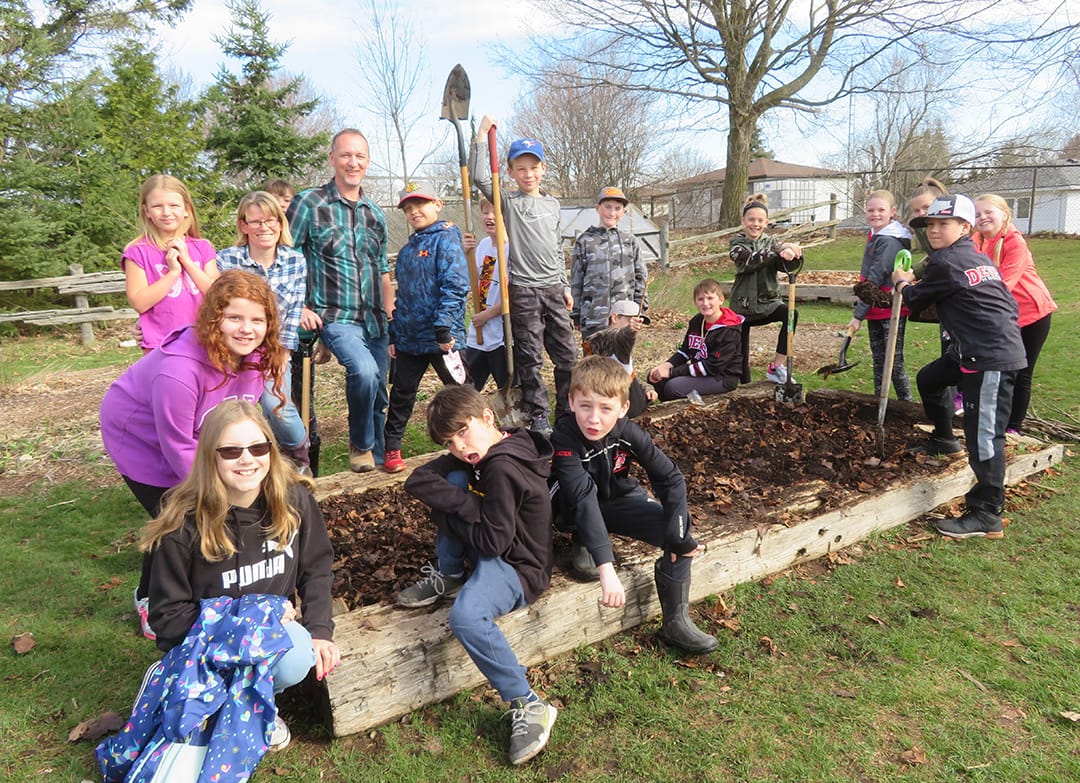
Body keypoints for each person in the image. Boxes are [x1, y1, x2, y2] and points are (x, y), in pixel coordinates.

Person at [142, 400, 339, 753]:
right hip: (206, 646)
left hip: (270, 639)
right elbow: (167, 617)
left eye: (258, 447)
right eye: (231, 451)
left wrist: (321, 630)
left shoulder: (294, 499)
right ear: (210, 457)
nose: (247, 459)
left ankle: (259, 704)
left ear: (271, 449)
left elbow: (317, 566)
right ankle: (205, 698)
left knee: (297, 654)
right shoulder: (182, 522)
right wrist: (256, 615)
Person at [100, 270, 287, 637]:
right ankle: (150, 599)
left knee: (210, 506)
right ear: (214, 318)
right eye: (234, 318)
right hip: (141, 440)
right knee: (174, 515)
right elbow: (176, 444)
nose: (246, 329)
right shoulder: (179, 372)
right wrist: (220, 494)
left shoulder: (252, 357)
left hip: (195, 435)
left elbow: (237, 419)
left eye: (257, 320)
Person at [399, 385, 556, 766]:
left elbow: (491, 542)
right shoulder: (481, 454)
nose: (459, 447)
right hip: (497, 548)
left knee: (466, 617)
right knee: (452, 483)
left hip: (519, 567)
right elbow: (416, 480)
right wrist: (461, 502)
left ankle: (529, 704)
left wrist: (450, 514)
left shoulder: (501, 466)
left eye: (463, 432)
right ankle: (450, 573)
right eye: (449, 442)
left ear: (488, 417)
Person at [551, 355, 718, 654]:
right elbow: (582, 499)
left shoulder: (628, 432)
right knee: (578, 506)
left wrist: (679, 537)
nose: (594, 419)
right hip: (573, 508)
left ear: (623, 408)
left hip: (616, 500)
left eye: (606, 409)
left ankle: (675, 622)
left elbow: (670, 478)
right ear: (572, 401)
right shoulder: (564, 436)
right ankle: (585, 542)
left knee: (678, 532)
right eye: (586, 406)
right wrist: (607, 568)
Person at [893, 194, 1026, 540]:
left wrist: (901, 281)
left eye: (943, 224)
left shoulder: (946, 262)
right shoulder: (972, 257)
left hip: (989, 357)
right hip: (971, 348)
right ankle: (943, 439)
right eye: (930, 225)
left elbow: (916, 299)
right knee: (930, 379)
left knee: (984, 435)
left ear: (964, 227)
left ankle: (986, 513)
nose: (934, 230)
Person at [288, 129, 394, 472]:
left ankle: (375, 469)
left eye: (360, 156)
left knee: (378, 394)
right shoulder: (309, 203)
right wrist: (298, 307)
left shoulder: (374, 214)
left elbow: (381, 271)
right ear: (332, 159)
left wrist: (392, 316)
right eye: (346, 155)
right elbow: (286, 258)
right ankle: (360, 444)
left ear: (368, 161)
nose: (353, 162)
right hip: (335, 315)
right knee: (363, 373)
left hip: (375, 319)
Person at [470, 117, 577, 435]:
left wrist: (566, 284)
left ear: (543, 169)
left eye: (533, 167)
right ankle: (538, 414)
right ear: (511, 172)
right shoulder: (508, 203)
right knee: (530, 358)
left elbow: (558, 248)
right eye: (520, 168)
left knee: (567, 357)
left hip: (554, 288)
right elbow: (478, 176)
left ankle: (567, 411)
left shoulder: (554, 205)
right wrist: (480, 134)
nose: (528, 174)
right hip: (524, 291)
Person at [217, 191, 311, 473]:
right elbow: (211, 303)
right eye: (255, 221)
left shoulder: (295, 261)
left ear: (280, 224)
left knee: (277, 408)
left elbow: (294, 309)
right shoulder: (226, 260)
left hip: (272, 348)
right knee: (231, 413)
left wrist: (283, 352)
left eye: (270, 220)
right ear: (243, 226)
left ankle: (299, 462)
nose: (263, 227)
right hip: (233, 349)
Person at [382, 181, 470, 473]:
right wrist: (394, 334)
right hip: (409, 339)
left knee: (460, 392)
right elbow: (403, 297)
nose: (414, 211)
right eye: (408, 208)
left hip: (442, 338)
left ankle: (476, 441)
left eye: (420, 205)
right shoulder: (408, 251)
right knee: (402, 394)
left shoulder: (446, 240)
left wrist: (444, 327)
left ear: (437, 204)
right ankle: (392, 448)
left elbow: (456, 285)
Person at [973, 193, 1057, 433]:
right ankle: (996, 422)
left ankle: (1013, 429)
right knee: (1000, 370)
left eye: (989, 212)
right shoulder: (977, 239)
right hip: (1005, 315)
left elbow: (1003, 286)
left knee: (1021, 372)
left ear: (1005, 213)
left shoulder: (1014, 241)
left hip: (1032, 314)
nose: (983, 217)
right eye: (978, 214)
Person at [122, 174, 219, 351]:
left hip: (206, 340)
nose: (166, 212)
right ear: (146, 211)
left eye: (174, 205)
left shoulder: (202, 247)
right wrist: (173, 272)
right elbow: (139, 302)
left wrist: (187, 262)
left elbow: (218, 294)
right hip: (161, 345)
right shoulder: (137, 251)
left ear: (186, 209)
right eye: (158, 206)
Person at [847, 190, 914, 401]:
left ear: (892, 212)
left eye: (881, 210)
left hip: (890, 307)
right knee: (879, 360)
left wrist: (857, 316)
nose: (875, 214)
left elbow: (874, 280)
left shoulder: (889, 240)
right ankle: (879, 401)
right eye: (870, 210)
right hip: (875, 308)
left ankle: (907, 404)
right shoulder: (875, 235)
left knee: (893, 362)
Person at [729, 195, 803, 383]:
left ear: (766, 222)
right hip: (742, 306)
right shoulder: (736, 245)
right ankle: (744, 386)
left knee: (790, 314)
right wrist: (780, 248)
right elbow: (752, 260)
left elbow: (785, 266)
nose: (755, 224)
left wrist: (792, 255)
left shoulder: (772, 242)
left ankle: (777, 367)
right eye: (751, 220)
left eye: (760, 220)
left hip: (768, 302)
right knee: (741, 356)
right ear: (743, 221)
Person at [570, 186, 647, 341]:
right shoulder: (584, 241)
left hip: (623, 319)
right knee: (594, 363)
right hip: (593, 319)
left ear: (623, 212)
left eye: (618, 208)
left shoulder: (629, 241)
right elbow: (576, 280)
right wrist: (576, 313)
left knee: (620, 363)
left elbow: (642, 277)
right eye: (608, 207)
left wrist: (639, 309)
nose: (612, 213)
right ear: (598, 208)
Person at [647, 278, 743, 401]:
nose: (705, 303)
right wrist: (666, 365)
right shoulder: (697, 321)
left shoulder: (729, 330)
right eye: (700, 299)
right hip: (700, 371)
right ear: (695, 302)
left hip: (721, 377)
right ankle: (673, 408)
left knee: (673, 387)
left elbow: (712, 366)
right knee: (654, 376)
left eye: (710, 298)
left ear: (721, 300)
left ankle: (693, 406)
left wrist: (671, 373)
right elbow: (686, 350)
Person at [463, 197, 509, 392]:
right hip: (479, 335)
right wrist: (467, 254)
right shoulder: (482, 246)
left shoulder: (513, 250)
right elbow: (477, 283)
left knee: (508, 387)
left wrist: (487, 315)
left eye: (495, 212)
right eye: (485, 212)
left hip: (504, 336)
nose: (489, 217)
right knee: (467, 388)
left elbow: (516, 296)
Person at [584, 299, 656, 418]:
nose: (637, 325)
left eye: (638, 321)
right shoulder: (599, 340)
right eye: (630, 320)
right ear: (615, 317)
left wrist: (647, 389)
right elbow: (619, 337)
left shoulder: (622, 346)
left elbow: (629, 373)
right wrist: (629, 331)